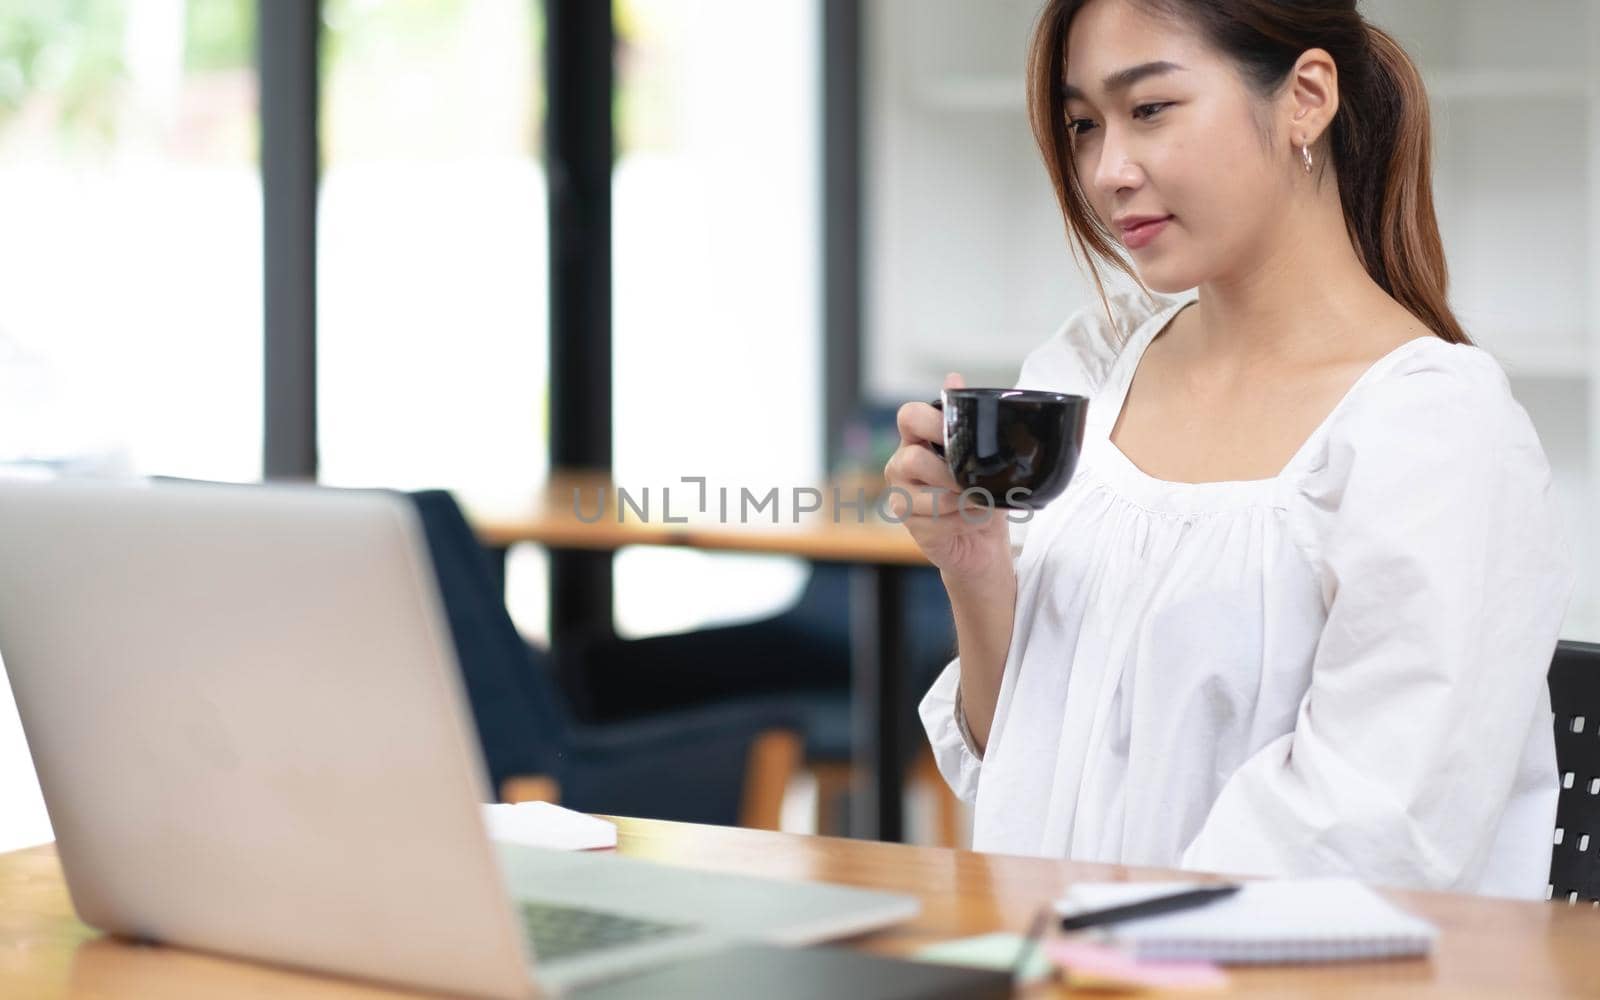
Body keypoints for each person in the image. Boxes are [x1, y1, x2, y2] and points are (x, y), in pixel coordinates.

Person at [887, 0, 1572, 899]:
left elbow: (1371, 837)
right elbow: (1019, 770)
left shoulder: (1435, 433)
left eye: (1152, 109)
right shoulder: (1090, 375)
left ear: (1306, 98)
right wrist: (973, 567)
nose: (1106, 170)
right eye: (1084, 125)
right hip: (1056, 962)